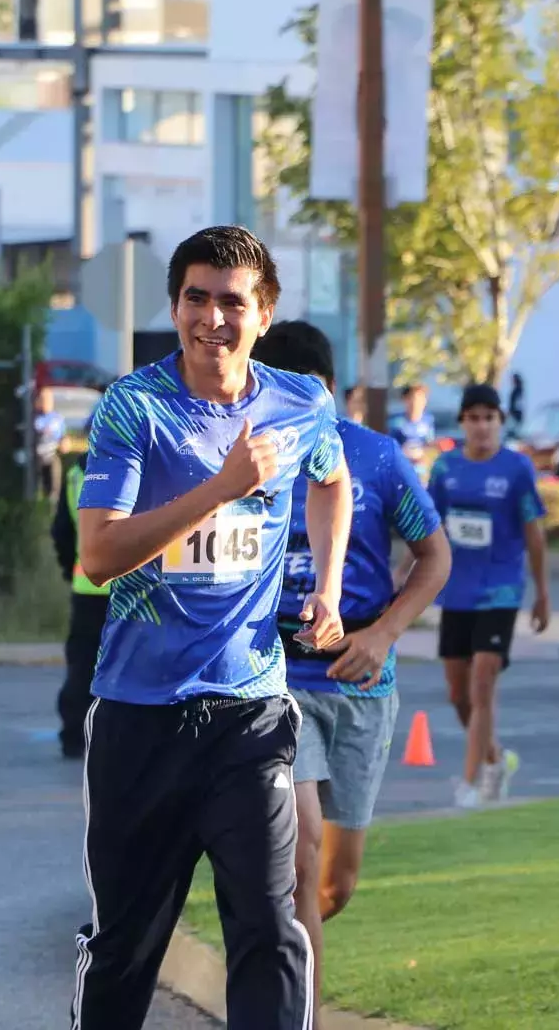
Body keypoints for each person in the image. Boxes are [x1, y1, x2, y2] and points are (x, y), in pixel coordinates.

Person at [70, 225, 354, 1029]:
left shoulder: (299, 402)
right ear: (175, 306)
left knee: (270, 927)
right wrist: (222, 487)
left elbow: (332, 483)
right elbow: (99, 555)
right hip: (138, 712)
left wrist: (327, 586)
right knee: (128, 943)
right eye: (196, 298)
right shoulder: (136, 408)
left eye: (233, 302)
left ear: (263, 314)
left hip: (249, 709)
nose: (212, 319)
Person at [254, 321, 451, 1030]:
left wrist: (384, 633)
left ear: (329, 391)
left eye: (305, 393)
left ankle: (273, 950)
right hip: (277, 679)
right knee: (303, 853)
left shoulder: (376, 458)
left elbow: (434, 557)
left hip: (363, 684)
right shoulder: (249, 458)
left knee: (334, 884)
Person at [427, 383, 550, 808]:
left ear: (501, 422)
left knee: (482, 686)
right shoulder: (445, 469)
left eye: (489, 417)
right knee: (458, 695)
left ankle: (468, 783)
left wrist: (542, 594)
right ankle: (496, 758)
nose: (481, 426)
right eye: (473, 417)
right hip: (456, 591)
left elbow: (535, 534)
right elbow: (428, 529)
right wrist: (404, 577)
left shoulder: (517, 469)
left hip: (500, 590)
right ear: (462, 422)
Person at [51, 435, 110, 760]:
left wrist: (68, 569)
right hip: (132, 588)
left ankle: (74, 735)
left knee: (83, 663)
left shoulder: (78, 471)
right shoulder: (137, 462)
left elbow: (61, 530)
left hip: (87, 587)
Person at [390, 382, 436, 468]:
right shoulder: (396, 422)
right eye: (413, 398)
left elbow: (430, 444)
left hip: (421, 466)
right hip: (402, 466)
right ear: (405, 400)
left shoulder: (428, 420)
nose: (416, 403)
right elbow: (390, 447)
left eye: (421, 399)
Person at [34, 384, 67, 505]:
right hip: (36, 456)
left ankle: (53, 502)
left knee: (54, 473)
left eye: (48, 399)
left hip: (52, 454)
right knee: (37, 484)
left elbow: (63, 437)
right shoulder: (33, 417)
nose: (45, 402)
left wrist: (64, 443)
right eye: (42, 399)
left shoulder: (57, 418)